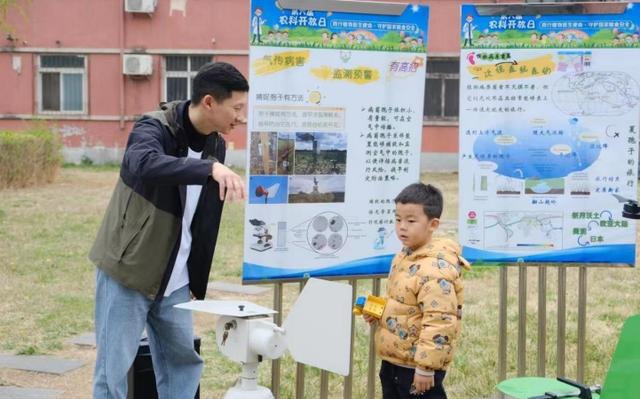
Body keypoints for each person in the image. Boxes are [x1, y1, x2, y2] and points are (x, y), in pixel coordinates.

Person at [89, 61, 248, 399]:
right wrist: (208, 168)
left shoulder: (215, 144)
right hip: (129, 271)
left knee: (183, 362)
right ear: (209, 102)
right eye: (236, 107)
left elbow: (202, 218)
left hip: (175, 281)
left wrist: (196, 277)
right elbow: (143, 163)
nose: (240, 117)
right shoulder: (154, 127)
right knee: (112, 372)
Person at [363, 183, 470, 399]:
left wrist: (426, 368)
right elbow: (404, 303)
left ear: (433, 224)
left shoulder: (435, 270)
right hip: (394, 360)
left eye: (411, 221)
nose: (402, 226)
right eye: (398, 219)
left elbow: (439, 320)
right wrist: (380, 311)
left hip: (418, 368)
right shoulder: (404, 256)